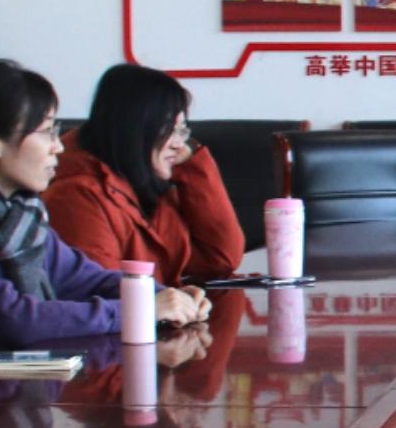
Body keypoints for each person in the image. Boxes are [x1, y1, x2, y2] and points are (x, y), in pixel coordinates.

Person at [0, 59, 208, 399]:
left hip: (7, 397)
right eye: (47, 132)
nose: (59, 146)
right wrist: (140, 310)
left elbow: (87, 279)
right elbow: (14, 320)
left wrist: (164, 297)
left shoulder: (20, 217)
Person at [43, 63, 247, 278]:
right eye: (168, 129)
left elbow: (221, 260)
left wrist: (191, 166)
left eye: (181, 131)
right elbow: (100, 291)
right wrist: (166, 296)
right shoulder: (76, 195)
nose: (179, 144)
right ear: (134, 129)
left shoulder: (147, 181)